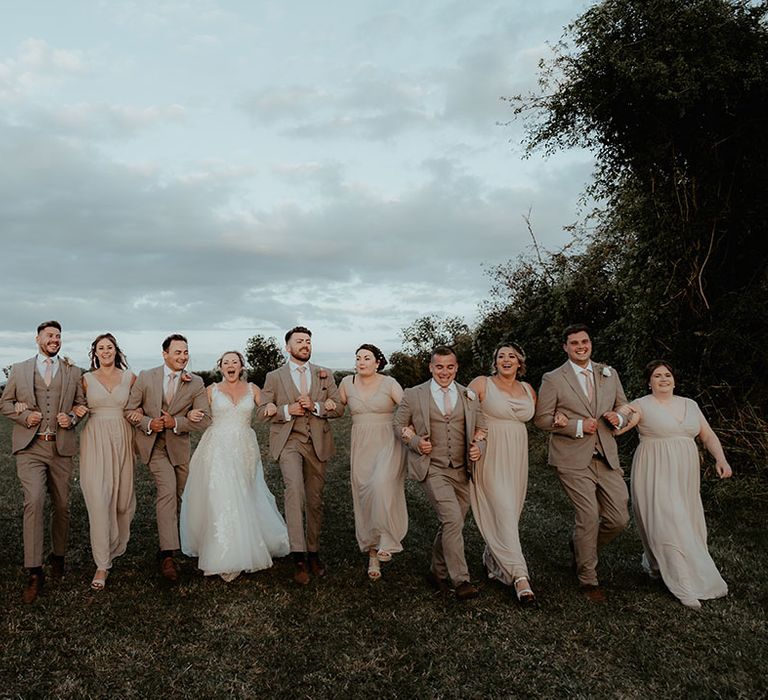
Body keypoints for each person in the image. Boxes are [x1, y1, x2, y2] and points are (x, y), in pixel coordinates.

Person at [616, 360, 732, 609]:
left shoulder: (690, 404)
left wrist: (720, 459)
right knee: (666, 519)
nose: (663, 379)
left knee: (686, 520)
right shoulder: (641, 405)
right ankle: (683, 584)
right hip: (653, 470)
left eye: (667, 375)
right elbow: (621, 424)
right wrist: (617, 417)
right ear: (649, 382)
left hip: (685, 475)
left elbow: (708, 435)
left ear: (674, 380)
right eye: (657, 376)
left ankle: (661, 565)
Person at [533, 324, 630, 603]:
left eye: (584, 341)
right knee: (587, 516)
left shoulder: (608, 373)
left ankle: (580, 546)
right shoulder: (553, 378)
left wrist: (619, 418)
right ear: (565, 347)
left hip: (606, 457)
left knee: (619, 518)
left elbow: (624, 406)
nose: (580, 346)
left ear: (591, 343)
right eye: (574, 343)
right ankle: (588, 579)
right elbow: (541, 419)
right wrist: (574, 426)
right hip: (572, 459)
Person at [180, 351, 289, 581]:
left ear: (241, 367)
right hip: (217, 447)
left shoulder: (253, 389)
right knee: (222, 495)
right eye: (226, 362)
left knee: (245, 493)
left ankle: (247, 542)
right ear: (220, 367)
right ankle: (224, 553)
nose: (230, 365)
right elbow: (198, 413)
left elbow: (265, 409)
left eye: (235, 362)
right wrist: (192, 413)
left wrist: (270, 408)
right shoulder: (211, 390)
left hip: (244, 447)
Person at [0, 320, 86, 603]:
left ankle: (58, 556)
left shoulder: (73, 371)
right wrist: (25, 416)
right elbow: (5, 403)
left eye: (59, 336)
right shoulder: (20, 369)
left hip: (60, 448)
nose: (55, 339)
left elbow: (81, 403)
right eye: (50, 335)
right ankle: (34, 571)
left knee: (62, 505)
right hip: (31, 448)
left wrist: (72, 417)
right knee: (34, 501)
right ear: (37, 338)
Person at [393, 345, 485, 600]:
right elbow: (398, 424)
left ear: (456, 367)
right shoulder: (414, 394)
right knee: (453, 520)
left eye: (450, 366)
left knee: (452, 522)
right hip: (432, 467)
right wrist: (415, 443)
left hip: (461, 469)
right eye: (439, 366)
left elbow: (481, 427)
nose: (444, 372)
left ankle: (436, 571)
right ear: (431, 367)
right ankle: (461, 580)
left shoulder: (469, 395)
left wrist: (479, 447)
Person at [258, 326, 343, 585]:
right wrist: (287, 409)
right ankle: (298, 556)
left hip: (317, 442)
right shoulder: (274, 376)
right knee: (294, 491)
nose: (305, 345)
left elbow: (338, 407)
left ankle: (313, 552)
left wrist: (316, 407)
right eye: (299, 341)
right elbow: (263, 409)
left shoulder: (324, 374)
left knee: (315, 500)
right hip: (289, 441)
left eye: (308, 341)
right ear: (288, 347)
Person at [124, 333, 211, 582]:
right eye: (178, 352)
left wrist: (176, 422)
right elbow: (129, 410)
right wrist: (150, 422)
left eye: (186, 352)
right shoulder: (146, 377)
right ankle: (167, 555)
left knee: (184, 494)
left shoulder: (195, 382)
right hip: (153, 446)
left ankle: (187, 540)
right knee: (167, 490)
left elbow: (205, 418)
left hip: (179, 447)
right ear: (165, 354)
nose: (183, 357)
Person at [467, 342, 537, 606]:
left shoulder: (529, 390)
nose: (506, 360)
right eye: (500, 356)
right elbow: (464, 414)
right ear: (494, 362)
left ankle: (492, 560)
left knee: (511, 510)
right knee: (504, 508)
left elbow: (542, 417)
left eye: (512, 356)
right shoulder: (482, 384)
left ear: (520, 362)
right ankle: (520, 577)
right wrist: (474, 439)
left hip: (517, 455)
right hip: (490, 451)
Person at [338, 344, 407, 581]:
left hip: (388, 440)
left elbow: (407, 407)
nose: (361, 362)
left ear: (378, 362)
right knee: (365, 495)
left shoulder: (389, 383)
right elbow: (337, 408)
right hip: (362, 444)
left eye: (366, 358)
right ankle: (373, 553)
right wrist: (326, 404)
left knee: (381, 486)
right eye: (358, 358)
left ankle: (388, 538)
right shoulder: (347, 383)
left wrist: (411, 432)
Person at [78, 333, 138, 591]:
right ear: (95, 352)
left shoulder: (130, 377)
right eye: (101, 348)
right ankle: (101, 564)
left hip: (123, 437)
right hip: (95, 439)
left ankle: (115, 544)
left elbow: (143, 403)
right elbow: (73, 405)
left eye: (109, 347)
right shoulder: (85, 379)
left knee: (123, 501)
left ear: (116, 350)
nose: (105, 351)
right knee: (98, 498)